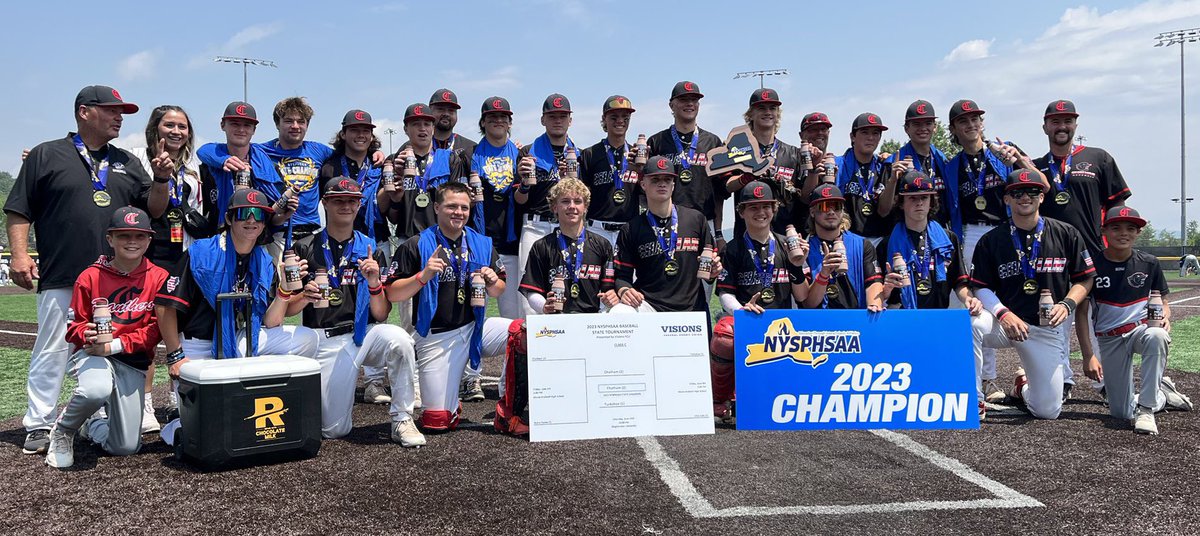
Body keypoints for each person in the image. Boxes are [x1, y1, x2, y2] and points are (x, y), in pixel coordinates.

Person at [6, 85, 153, 455]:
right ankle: (39, 423)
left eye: (122, 112)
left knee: (108, 349)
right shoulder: (46, 154)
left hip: (114, 279)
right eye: (111, 110)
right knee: (53, 348)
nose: (119, 117)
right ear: (85, 112)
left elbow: (151, 208)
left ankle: (94, 418)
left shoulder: (127, 161)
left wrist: (164, 178)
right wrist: (20, 256)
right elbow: (19, 210)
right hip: (62, 272)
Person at [154, 188, 319, 444]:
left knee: (306, 338)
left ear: (265, 223)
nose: (251, 220)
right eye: (244, 214)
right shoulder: (201, 252)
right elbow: (164, 306)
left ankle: (265, 391)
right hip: (199, 345)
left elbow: (271, 323)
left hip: (239, 339)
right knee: (199, 429)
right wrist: (175, 355)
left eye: (259, 215)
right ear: (229, 219)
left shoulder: (263, 259)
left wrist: (285, 291)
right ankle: (178, 423)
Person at [286, 179, 424, 446]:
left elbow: (382, 314)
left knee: (400, 339)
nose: (345, 206)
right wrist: (304, 296)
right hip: (325, 339)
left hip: (365, 333)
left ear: (360, 204)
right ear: (324, 203)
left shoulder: (369, 248)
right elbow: (288, 310)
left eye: (351, 200)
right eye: (338, 200)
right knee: (334, 430)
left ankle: (402, 418)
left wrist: (374, 284)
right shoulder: (304, 247)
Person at [44, 207, 169, 468]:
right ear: (110, 239)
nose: (132, 242)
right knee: (95, 389)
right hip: (92, 354)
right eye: (124, 235)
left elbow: (156, 331)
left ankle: (94, 425)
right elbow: (73, 327)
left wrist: (114, 345)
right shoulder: (90, 276)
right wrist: (84, 332)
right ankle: (63, 430)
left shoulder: (159, 278)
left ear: (149, 240)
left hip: (130, 360)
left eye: (139, 236)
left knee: (125, 447)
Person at [968, 170, 1094, 420]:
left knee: (1047, 411)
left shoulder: (1066, 233)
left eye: (1032, 192)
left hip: (1044, 328)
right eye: (1017, 193)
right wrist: (1002, 313)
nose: (1025, 197)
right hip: (1006, 323)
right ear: (1007, 199)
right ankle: (975, 400)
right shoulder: (992, 240)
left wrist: (1068, 304)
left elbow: (1085, 278)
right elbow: (980, 286)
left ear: (1042, 197)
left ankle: (1022, 386)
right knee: (969, 324)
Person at [385, 182, 510, 432]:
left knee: (523, 332)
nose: (458, 212)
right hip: (436, 336)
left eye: (464, 207)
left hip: (476, 328)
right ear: (436, 207)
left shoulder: (482, 242)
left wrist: (493, 281)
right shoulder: (417, 243)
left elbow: (499, 289)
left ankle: (513, 405)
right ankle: (450, 404)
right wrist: (423, 276)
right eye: (451, 206)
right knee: (436, 421)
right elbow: (392, 292)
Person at [944, 99, 1046, 403]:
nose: (971, 124)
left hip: (1007, 232)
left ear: (982, 122)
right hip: (970, 234)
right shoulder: (953, 165)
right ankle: (984, 377)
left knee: (1013, 297)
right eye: (963, 121)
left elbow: (1041, 184)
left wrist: (1017, 161)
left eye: (975, 119)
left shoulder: (1004, 150)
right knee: (975, 305)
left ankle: (1031, 371)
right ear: (953, 129)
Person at [132, 104, 216, 433]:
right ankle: (145, 403)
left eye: (183, 126)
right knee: (149, 328)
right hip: (156, 250)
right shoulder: (137, 157)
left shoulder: (197, 163)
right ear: (156, 128)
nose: (177, 131)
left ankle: (178, 398)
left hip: (189, 252)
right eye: (169, 125)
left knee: (181, 330)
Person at [1077, 206, 1192, 435]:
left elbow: (1164, 303)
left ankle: (1148, 409)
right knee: (1121, 413)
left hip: (1140, 331)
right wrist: (1088, 355)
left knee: (1157, 335)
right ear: (1104, 231)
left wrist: (1165, 318)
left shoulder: (1149, 262)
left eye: (1131, 228)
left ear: (1138, 233)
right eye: (1116, 228)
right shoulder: (1092, 265)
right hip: (1109, 339)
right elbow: (1081, 313)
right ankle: (1162, 394)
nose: (1123, 233)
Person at [710, 181, 811, 420]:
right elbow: (724, 293)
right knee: (724, 335)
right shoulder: (733, 249)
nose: (761, 212)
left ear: (775, 209)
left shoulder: (789, 246)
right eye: (753, 207)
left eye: (766, 206)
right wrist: (742, 311)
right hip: (750, 323)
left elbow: (803, 296)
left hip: (784, 327)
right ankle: (719, 398)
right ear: (741, 211)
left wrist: (797, 266)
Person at [611, 156, 720, 314]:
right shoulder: (631, 228)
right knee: (619, 312)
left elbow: (710, 271)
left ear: (673, 185)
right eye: (655, 179)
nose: (662, 183)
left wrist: (714, 271)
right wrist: (624, 291)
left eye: (667, 179)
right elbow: (622, 276)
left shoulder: (696, 219)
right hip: (649, 305)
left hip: (691, 306)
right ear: (643, 185)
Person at [516, 93, 580, 316]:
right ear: (543, 119)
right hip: (535, 226)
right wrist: (524, 184)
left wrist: (569, 180)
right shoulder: (527, 152)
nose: (558, 120)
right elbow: (519, 200)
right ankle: (529, 349)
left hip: (568, 229)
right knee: (529, 294)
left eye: (563, 116)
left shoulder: (578, 154)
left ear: (570, 120)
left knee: (569, 288)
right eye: (552, 116)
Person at [877, 171, 976, 312]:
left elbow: (960, 282)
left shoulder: (949, 239)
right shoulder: (886, 244)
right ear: (901, 203)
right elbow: (877, 291)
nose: (919, 203)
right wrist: (885, 290)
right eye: (912, 198)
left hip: (938, 315)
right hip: (899, 314)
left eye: (924, 197)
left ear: (931, 202)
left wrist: (969, 299)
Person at [519, 177, 617, 314]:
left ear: (585, 207)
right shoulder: (541, 246)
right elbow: (531, 290)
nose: (572, 206)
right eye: (565, 201)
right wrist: (544, 306)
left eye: (578, 201)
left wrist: (611, 297)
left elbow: (609, 288)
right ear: (554, 207)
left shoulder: (602, 245)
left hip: (592, 321)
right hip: (555, 321)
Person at [647, 81, 725, 248]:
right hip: (665, 222)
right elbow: (645, 189)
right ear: (672, 105)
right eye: (684, 99)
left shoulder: (713, 142)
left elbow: (719, 193)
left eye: (694, 100)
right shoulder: (656, 142)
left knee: (706, 272)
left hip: (705, 221)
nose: (690, 104)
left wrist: (718, 232)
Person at [723, 88, 803, 237]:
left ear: (778, 114)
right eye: (761, 108)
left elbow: (803, 196)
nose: (768, 112)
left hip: (785, 237)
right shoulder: (738, 151)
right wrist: (747, 177)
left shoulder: (793, 153)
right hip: (747, 237)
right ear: (750, 114)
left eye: (772, 108)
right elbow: (727, 186)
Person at [470, 96, 523, 319]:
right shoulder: (470, 154)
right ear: (483, 122)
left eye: (503, 117)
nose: (498, 120)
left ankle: (512, 354)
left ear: (510, 123)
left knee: (511, 311)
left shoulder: (521, 153)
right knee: (472, 308)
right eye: (492, 117)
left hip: (509, 238)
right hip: (478, 239)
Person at [319, 109, 391, 261]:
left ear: (371, 136)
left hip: (377, 240)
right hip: (340, 244)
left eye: (366, 131)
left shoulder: (380, 166)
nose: (361, 135)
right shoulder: (329, 168)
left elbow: (385, 207)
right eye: (354, 130)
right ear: (343, 134)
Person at [802, 185, 888, 310]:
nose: (831, 212)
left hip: (854, 317)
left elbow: (873, 282)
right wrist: (824, 275)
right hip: (819, 321)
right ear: (812, 212)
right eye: (824, 207)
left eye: (836, 206)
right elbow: (808, 304)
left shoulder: (862, 244)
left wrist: (874, 305)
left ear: (842, 211)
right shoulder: (805, 248)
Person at [579, 95, 641, 246]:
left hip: (628, 229)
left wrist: (640, 171)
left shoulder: (637, 155)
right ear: (604, 119)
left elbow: (647, 192)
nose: (620, 121)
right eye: (614, 117)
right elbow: (582, 195)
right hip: (597, 229)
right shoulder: (590, 154)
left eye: (625, 117)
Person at [835, 112, 895, 241]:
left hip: (880, 238)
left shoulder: (884, 166)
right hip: (847, 239)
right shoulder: (839, 165)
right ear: (852, 137)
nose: (870, 138)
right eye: (865, 132)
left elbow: (884, 210)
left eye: (875, 133)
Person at [890, 100, 951, 227]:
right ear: (907, 128)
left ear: (935, 127)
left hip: (940, 231)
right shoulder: (894, 162)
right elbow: (884, 208)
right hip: (906, 232)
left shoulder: (943, 160)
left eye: (928, 123)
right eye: (916, 124)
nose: (923, 128)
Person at [429, 88, 477, 174]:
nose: (446, 114)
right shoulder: (413, 147)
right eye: (440, 109)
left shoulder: (471, 148)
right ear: (429, 111)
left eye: (451, 111)